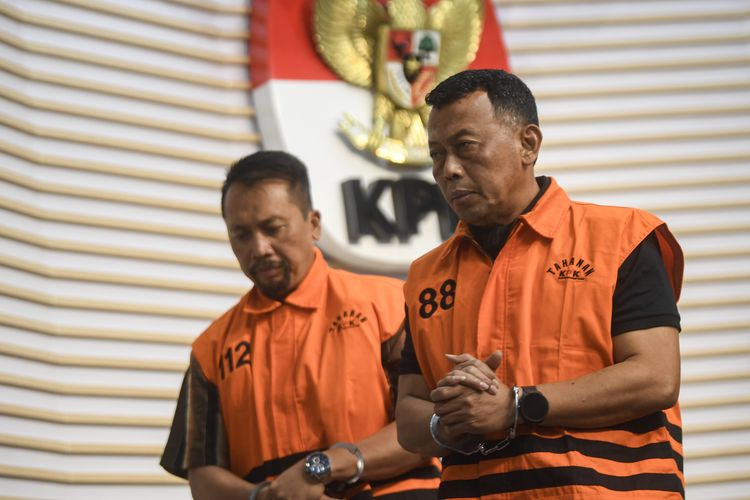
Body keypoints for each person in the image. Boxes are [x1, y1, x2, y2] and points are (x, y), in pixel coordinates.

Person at [395, 69, 685, 499]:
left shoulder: (620, 237)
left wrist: (516, 405)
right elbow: (408, 416)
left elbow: (656, 377)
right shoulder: (426, 276)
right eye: (437, 154)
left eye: (465, 147)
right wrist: (450, 421)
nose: (448, 170)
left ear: (528, 144)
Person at [161, 151, 440, 499]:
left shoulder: (389, 305)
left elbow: (433, 424)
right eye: (241, 234)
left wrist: (322, 467)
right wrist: (268, 496)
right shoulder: (211, 349)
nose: (260, 248)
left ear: (314, 224)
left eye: (273, 228)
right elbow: (202, 476)